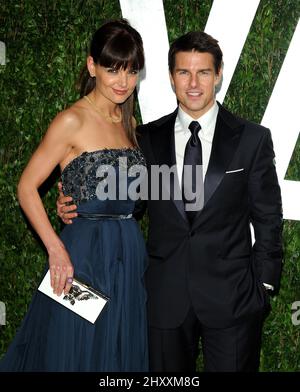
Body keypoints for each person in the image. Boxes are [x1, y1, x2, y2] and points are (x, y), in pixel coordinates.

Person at [57, 31, 283, 372]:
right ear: (171, 77)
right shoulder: (145, 139)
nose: (193, 83)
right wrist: (78, 205)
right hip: (164, 299)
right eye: (183, 72)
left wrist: (262, 286)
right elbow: (130, 204)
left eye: (203, 72)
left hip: (233, 300)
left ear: (218, 74)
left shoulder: (252, 139)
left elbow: (268, 217)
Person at [0, 19, 148, 372]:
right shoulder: (71, 120)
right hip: (82, 259)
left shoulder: (126, 121)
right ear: (91, 66)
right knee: (77, 351)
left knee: (117, 355)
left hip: (127, 257)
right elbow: (26, 187)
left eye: (131, 71)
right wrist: (55, 249)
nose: (123, 82)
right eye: (113, 69)